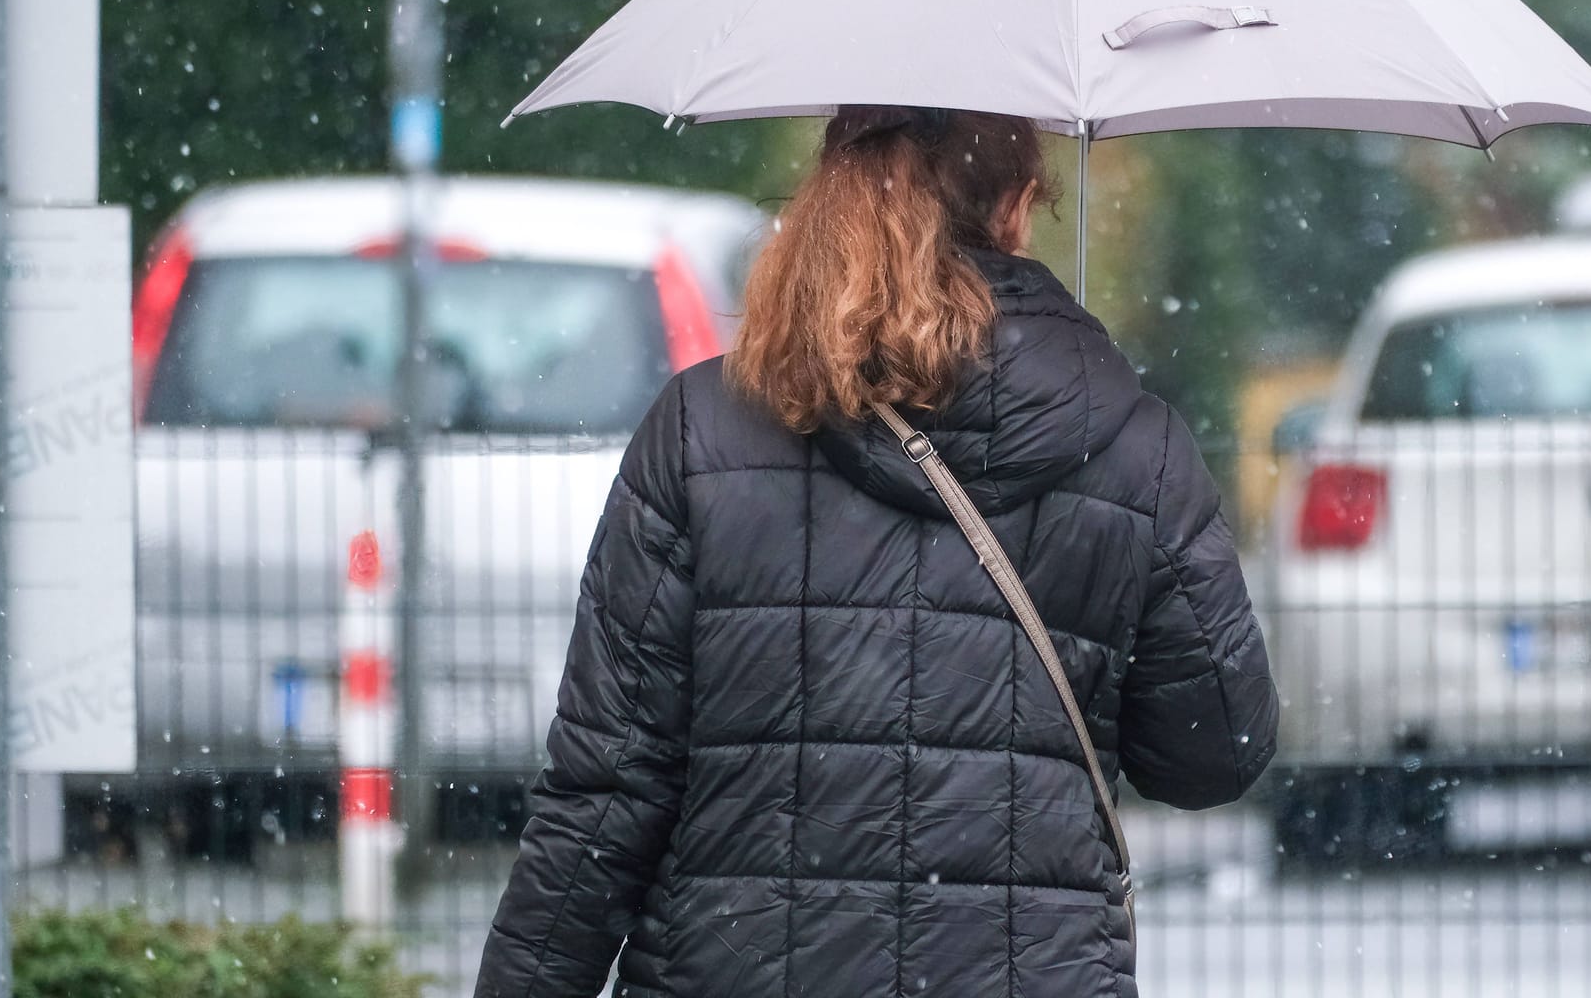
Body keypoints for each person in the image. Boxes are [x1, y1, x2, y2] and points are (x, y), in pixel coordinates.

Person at [475, 106, 1278, 998]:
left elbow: (605, 792)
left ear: (833, 195)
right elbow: (1214, 756)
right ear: (1015, 207)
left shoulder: (703, 430)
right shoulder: (1139, 451)